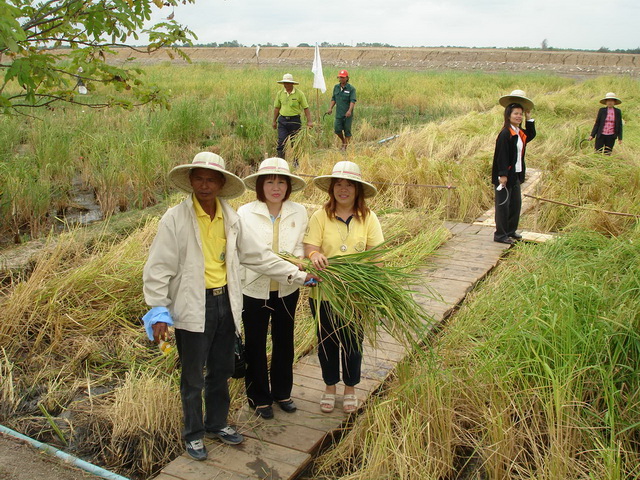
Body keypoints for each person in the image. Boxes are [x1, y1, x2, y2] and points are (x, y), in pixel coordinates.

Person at [142, 152, 316, 461]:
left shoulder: (231, 218)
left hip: (226, 301)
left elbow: (258, 256)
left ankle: (217, 424)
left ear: (221, 184)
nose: (205, 185)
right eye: (199, 179)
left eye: (211, 180)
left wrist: (298, 275)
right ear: (191, 181)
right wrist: (158, 310)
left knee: (221, 369)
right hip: (193, 303)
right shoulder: (175, 219)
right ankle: (194, 434)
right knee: (193, 376)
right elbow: (158, 268)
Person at [303, 161, 383, 414]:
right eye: (339, 184)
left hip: (355, 294)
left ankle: (350, 388)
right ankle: (330, 387)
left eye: (349, 185)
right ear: (332, 189)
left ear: (358, 189)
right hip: (324, 292)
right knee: (327, 342)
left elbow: (376, 255)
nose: (343, 189)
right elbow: (310, 247)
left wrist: (372, 284)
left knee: (352, 342)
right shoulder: (320, 216)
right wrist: (314, 255)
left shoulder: (368, 218)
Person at [238, 157, 308, 420]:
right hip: (253, 289)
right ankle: (258, 398)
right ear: (260, 185)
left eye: (281, 182)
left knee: (284, 341)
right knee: (255, 343)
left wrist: (299, 261)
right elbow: (247, 253)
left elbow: (300, 245)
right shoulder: (245, 213)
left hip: (287, 288)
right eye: (269, 182)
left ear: (288, 185)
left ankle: (282, 393)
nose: (276, 188)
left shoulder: (298, 211)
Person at [492, 89, 536, 245]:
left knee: (515, 204)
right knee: (503, 206)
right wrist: (502, 175)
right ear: (508, 115)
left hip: (516, 174)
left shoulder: (518, 132)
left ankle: (510, 231)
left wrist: (529, 118)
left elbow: (530, 135)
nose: (518, 116)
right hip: (505, 175)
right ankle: (500, 234)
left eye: (520, 114)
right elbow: (502, 156)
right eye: (515, 113)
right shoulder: (506, 133)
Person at [272, 73, 313, 161]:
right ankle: (281, 161)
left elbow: (306, 108)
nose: (286, 85)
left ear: (292, 84)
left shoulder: (299, 94)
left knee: (295, 143)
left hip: (295, 121)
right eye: (284, 83)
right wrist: (274, 121)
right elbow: (277, 108)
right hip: (282, 121)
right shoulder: (280, 94)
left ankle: (296, 161)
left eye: (287, 83)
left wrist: (309, 121)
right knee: (281, 142)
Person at [326, 69, 356, 151]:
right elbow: (334, 99)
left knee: (347, 130)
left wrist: (349, 111)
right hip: (339, 113)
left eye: (343, 77)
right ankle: (343, 141)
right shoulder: (336, 87)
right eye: (340, 77)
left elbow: (352, 101)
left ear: (347, 78)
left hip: (347, 114)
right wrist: (330, 108)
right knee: (337, 129)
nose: (341, 79)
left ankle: (345, 146)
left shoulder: (351, 89)